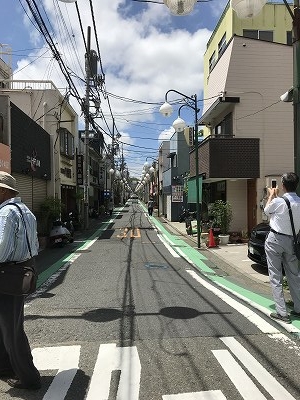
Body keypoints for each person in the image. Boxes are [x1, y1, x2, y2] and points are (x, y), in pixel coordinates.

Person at [0, 172, 41, 390]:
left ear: (4, 191)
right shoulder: (27, 212)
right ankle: (5, 366)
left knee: (11, 328)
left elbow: (1, 252)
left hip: (7, 275)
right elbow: (34, 245)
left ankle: (28, 377)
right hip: (23, 271)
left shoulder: (6, 213)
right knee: (8, 325)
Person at [264, 172, 300, 324]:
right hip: (293, 241)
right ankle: (298, 308)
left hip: (275, 240)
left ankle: (282, 312)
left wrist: (271, 195)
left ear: (283, 186)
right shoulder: (299, 201)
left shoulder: (279, 201)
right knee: (294, 275)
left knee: (275, 276)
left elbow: (266, 211)